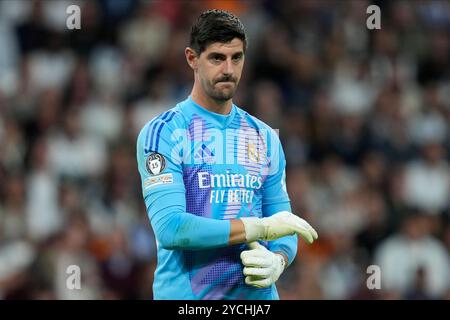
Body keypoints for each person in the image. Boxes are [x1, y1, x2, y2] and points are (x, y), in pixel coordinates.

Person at [136, 9, 318, 300]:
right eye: (217, 58)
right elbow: (171, 228)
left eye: (237, 58)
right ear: (192, 58)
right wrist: (257, 228)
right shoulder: (164, 133)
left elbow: (282, 221)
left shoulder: (265, 137)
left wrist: (279, 261)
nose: (229, 70)